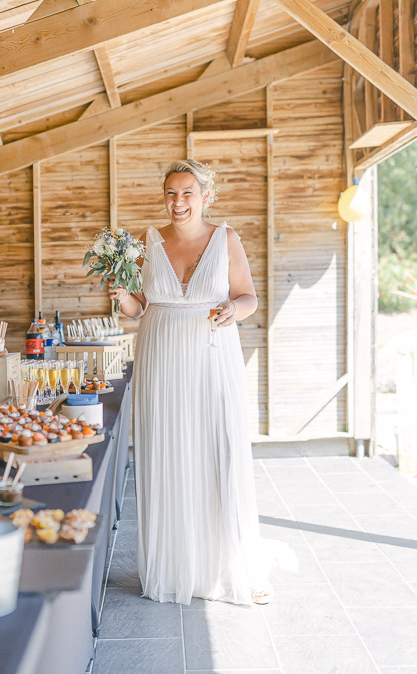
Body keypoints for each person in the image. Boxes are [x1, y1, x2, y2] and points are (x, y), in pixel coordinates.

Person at [110, 160, 290, 606]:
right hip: (160, 356)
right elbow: (138, 308)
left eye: (187, 192)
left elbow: (247, 295)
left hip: (213, 356)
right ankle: (174, 566)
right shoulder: (146, 243)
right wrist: (120, 297)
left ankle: (236, 566)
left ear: (206, 196)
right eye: (171, 193)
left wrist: (235, 311)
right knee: (167, 451)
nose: (178, 202)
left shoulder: (225, 238)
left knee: (219, 451)